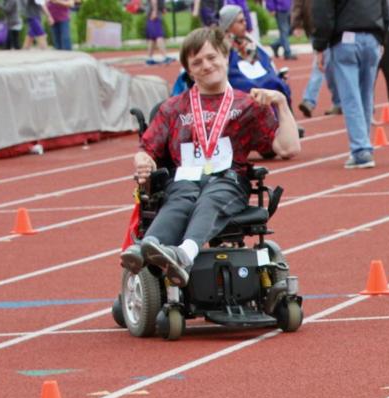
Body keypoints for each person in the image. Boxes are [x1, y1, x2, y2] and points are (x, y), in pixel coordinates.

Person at [121, 26, 301, 285]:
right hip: (184, 180)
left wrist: (281, 103)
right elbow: (146, 149)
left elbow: (288, 148)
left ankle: (184, 254)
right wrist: (142, 160)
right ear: (189, 71)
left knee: (212, 196)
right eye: (197, 62)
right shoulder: (173, 108)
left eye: (211, 57)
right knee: (181, 197)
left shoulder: (247, 105)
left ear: (225, 57)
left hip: (228, 181)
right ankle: (148, 245)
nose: (206, 65)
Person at [311, 0, 388, 169]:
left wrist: (320, 46)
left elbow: (322, 12)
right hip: (372, 38)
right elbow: (384, 6)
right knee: (366, 95)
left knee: (350, 97)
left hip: (345, 40)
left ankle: (361, 150)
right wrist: (382, 37)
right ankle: (363, 146)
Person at [218, 4, 293, 105]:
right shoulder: (222, 50)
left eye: (244, 20)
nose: (245, 23)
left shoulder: (252, 43)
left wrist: (278, 76)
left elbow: (267, 66)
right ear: (228, 26)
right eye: (240, 21)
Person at [145, 0, 174, 65]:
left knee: (152, 38)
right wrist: (154, 11)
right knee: (159, 36)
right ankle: (165, 57)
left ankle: (149, 58)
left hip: (152, 14)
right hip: (154, 15)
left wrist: (162, 8)